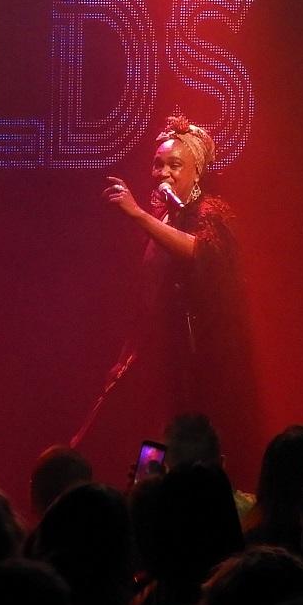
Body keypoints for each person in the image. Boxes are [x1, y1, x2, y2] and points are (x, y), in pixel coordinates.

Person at [98, 110, 260, 460]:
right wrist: (125, 355)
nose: (164, 173)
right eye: (159, 165)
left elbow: (201, 253)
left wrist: (138, 214)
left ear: (197, 171)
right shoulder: (164, 219)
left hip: (198, 356)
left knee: (189, 442)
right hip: (159, 353)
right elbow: (147, 298)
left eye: (175, 165)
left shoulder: (210, 212)